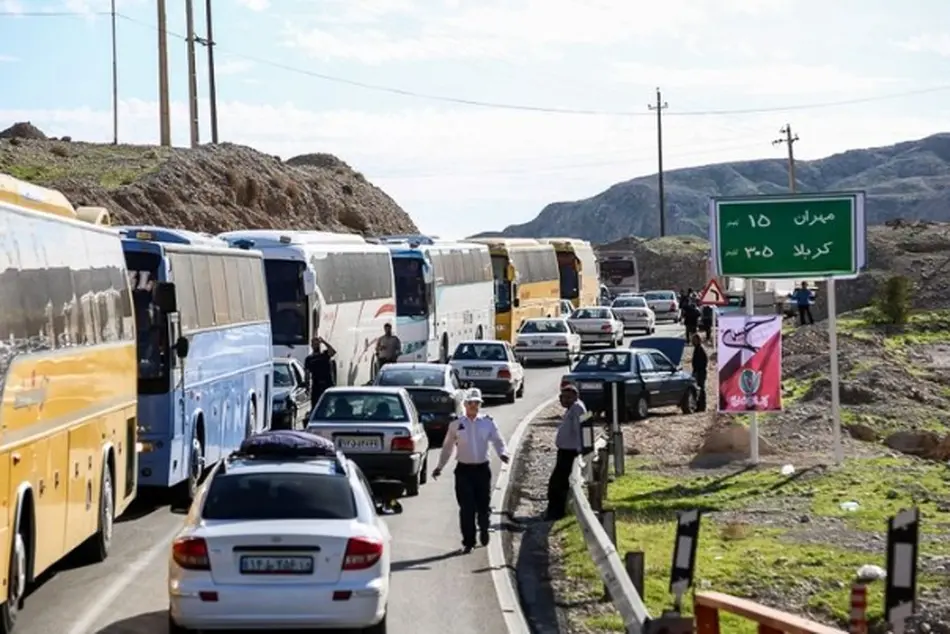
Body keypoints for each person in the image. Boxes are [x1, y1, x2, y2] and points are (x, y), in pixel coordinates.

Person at [432, 388, 510, 553]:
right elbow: (447, 447)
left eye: (477, 403)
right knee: (466, 507)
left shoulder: (487, 422)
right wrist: (440, 466)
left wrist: (503, 453)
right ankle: (469, 540)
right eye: (470, 403)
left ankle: (483, 527)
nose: (474, 406)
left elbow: (497, 440)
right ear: (465, 405)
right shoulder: (456, 424)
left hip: (482, 469)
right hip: (464, 471)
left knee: (483, 505)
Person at [545, 385, 588, 521]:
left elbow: (580, 430)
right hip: (566, 451)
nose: (563, 400)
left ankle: (556, 513)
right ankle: (554, 511)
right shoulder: (573, 408)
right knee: (558, 483)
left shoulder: (577, 408)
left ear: (575, 397)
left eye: (567, 397)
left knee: (557, 484)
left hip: (570, 453)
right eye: (562, 397)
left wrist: (580, 451)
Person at [303, 336, 336, 412]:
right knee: (315, 406)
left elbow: (333, 352)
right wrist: (307, 386)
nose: (315, 345)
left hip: (327, 384)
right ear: (311, 345)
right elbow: (307, 373)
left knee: (327, 404)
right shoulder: (309, 359)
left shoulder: (324, 354)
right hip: (316, 386)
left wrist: (324, 342)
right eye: (314, 343)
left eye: (317, 343)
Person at [691, 333, 708, 411]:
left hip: (700, 372)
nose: (692, 341)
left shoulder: (700, 349)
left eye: (694, 340)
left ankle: (702, 406)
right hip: (697, 371)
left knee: (701, 388)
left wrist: (699, 370)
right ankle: (698, 405)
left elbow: (704, 361)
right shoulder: (697, 348)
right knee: (698, 389)